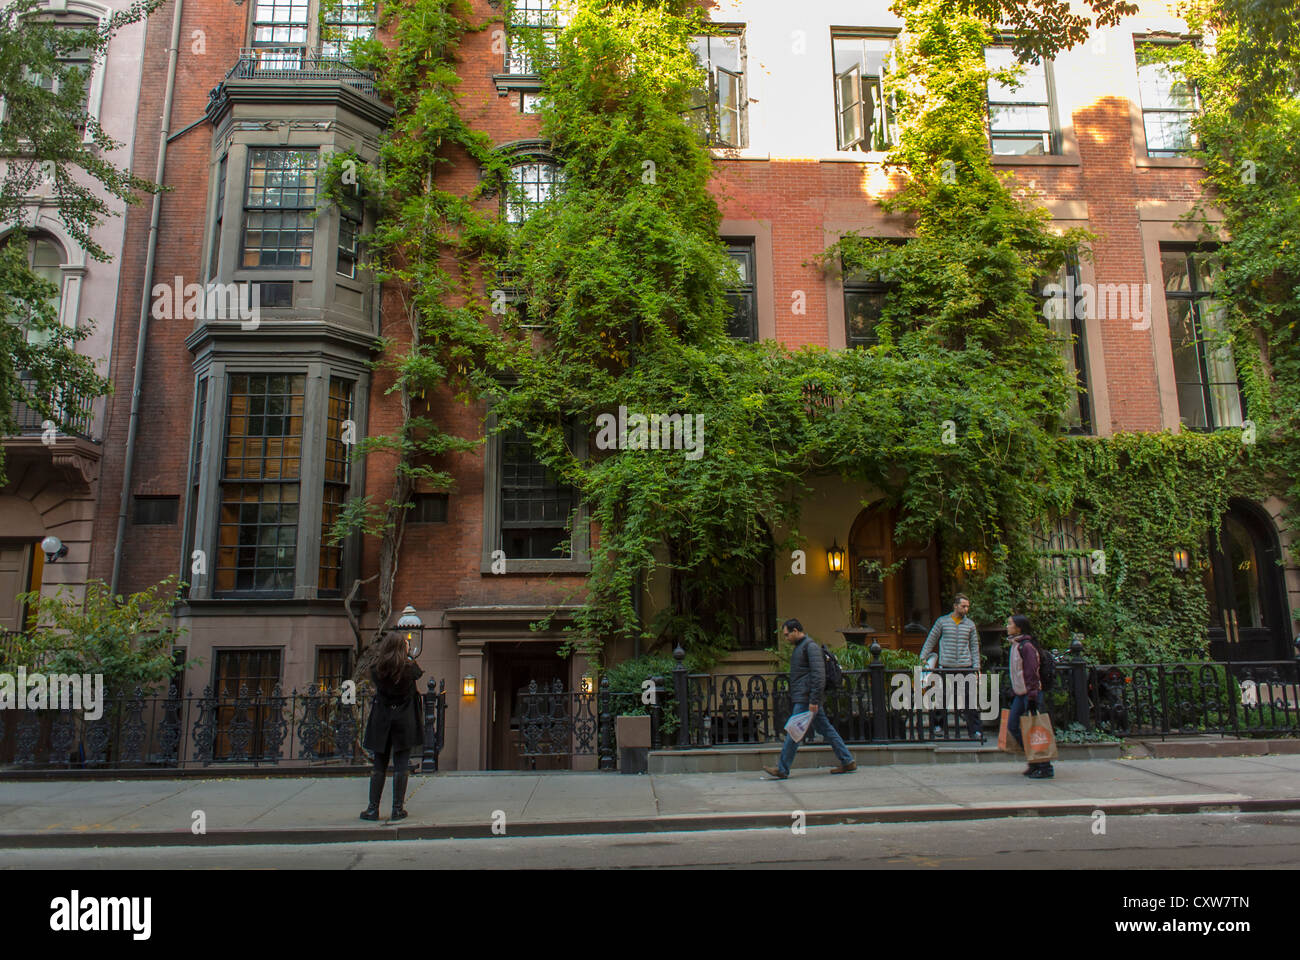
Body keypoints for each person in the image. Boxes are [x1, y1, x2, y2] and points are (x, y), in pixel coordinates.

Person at [763, 619, 856, 779]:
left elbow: (818, 676)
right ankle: (847, 760)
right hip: (806, 696)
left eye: (787, 635)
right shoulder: (802, 647)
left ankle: (782, 769)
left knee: (794, 731)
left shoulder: (810, 647)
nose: (786, 638)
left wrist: (814, 700)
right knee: (825, 729)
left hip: (806, 698)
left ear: (796, 630)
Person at [360, 631, 425, 821]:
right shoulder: (409, 669)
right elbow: (418, 672)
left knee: (379, 765)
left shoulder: (377, 669)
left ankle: (373, 809)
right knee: (401, 764)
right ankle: (397, 809)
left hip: (382, 719)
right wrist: (409, 656)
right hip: (403, 719)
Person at [919, 593, 983, 741]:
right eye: (963, 606)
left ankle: (974, 730)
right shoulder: (942, 622)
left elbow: (974, 646)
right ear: (955, 606)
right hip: (946, 665)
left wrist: (976, 667)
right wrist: (923, 658)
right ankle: (938, 725)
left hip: (965, 666)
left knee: (969, 699)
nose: (966, 609)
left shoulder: (970, 625)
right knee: (942, 697)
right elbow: (931, 640)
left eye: (967, 606)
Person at [1006, 613, 1053, 779]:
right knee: (1013, 726)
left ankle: (1045, 767)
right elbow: (1016, 672)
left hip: (1031, 693)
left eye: (1010, 623)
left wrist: (1032, 697)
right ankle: (1034, 762)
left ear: (1018, 627)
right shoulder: (1015, 645)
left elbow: (1031, 673)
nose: (1007, 626)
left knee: (1036, 730)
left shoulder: (1026, 647)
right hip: (1020, 693)